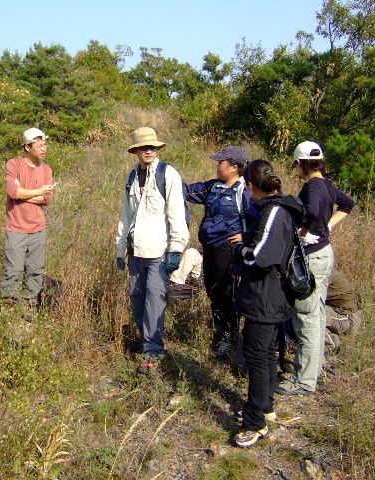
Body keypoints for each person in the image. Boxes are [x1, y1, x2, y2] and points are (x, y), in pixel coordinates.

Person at [231, 159, 303, 448]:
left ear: (251, 186)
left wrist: (240, 250)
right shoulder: (281, 208)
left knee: (257, 356)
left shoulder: (273, 212)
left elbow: (260, 257)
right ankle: (266, 406)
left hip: (266, 296)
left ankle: (254, 422)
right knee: (268, 353)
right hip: (272, 295)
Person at [276, 141, 355, 396]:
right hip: (325, 253)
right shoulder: (327, 185)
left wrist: (304, 231)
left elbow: (309, 213)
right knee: (317, 315)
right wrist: (328, 225)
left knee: (306, 317)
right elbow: (348, 204)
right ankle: (313, 371)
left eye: (296, 165)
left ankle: (303, 381)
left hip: (312, 257)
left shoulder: (311, 187)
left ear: (300, 164)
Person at [116, 127, 189, 374]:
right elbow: (126, 214)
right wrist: (120, 248)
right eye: (144, 147)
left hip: (159, 250)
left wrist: (176, 248)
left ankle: (153, 351)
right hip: (135, 250)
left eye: (152, 147)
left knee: (155, 299)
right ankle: (147, 340)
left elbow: (177, 213)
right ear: (136, 151)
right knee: (137, 297)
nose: (148, 151)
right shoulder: (132, 176)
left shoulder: (168, 174)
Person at [185, 146, 254, 360]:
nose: (217, 165)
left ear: (234, 167)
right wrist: (165, 173)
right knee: (213, 291)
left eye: (221, 162)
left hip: (229, 251)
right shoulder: (212, 186)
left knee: (227, 293)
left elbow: (258, 219)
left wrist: (244, 236)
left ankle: (229, 337)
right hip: (209, 249)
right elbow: (186, 191)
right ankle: (219, 333)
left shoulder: (245, 191)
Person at [0, 128, 55, 307]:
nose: (43, 149)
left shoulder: (46, 169)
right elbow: (12, 192)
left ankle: (28, 307)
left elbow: (47, 199)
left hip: (38, 229)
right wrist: (38, 191)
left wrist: (23, 193)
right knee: (13, 272)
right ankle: (9, 309)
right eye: (39, 145)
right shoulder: (14, 165)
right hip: (16, 228)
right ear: (27, 147)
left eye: (44, 145)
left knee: (35, 271)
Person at [324, 267, 362, 354]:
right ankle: (330, 336)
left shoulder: (323, 272)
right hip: (338, 313)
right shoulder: (324, 267)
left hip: (348, 318)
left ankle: (330, 344)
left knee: (312, 311)